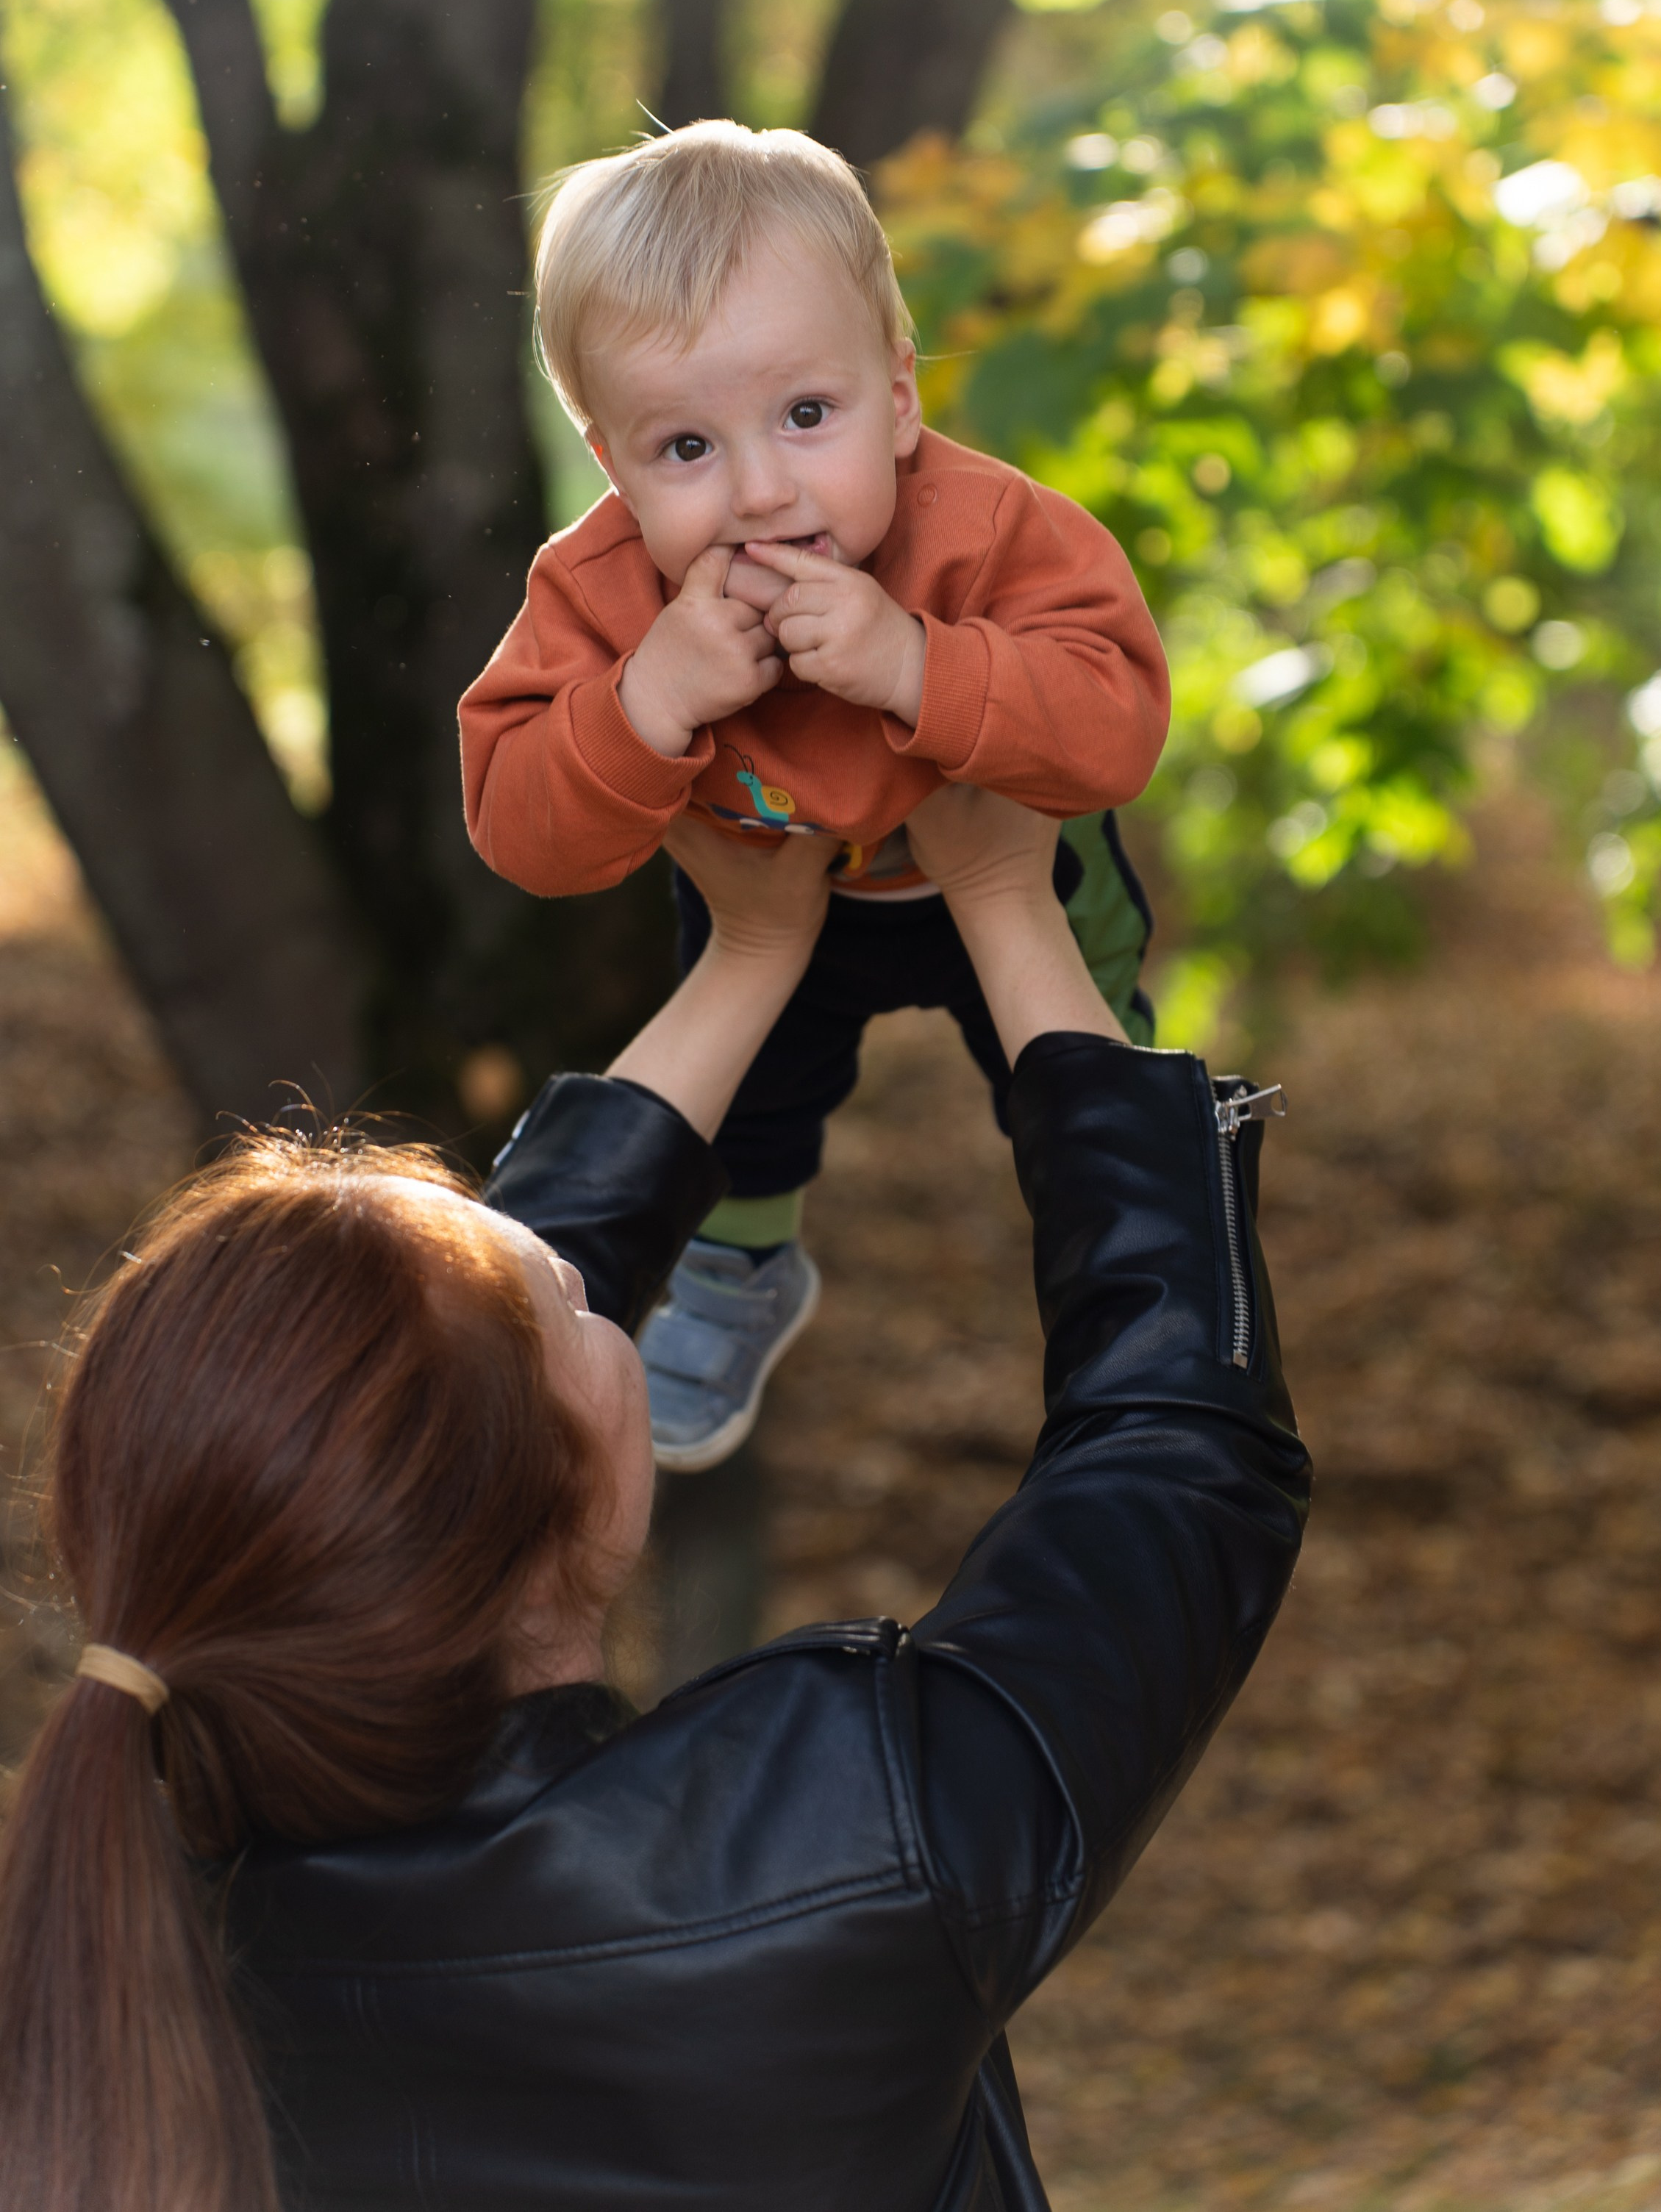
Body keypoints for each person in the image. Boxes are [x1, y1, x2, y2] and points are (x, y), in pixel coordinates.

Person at [0, 785, 1306, 2212]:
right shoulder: (844, 1839)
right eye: (569, 1301)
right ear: (558, 1490)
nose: (577, 1275)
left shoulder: (133, 1938)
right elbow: (1177, 1454)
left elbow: (435, 1415)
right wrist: (1009, 900)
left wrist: (747, 958)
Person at [460, 119, 1171, 1472]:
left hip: (1011, 868)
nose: (759, 493)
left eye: (805, 415)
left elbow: (1116, 717)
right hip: (775, 887)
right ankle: (738, 1272)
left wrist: (919, 664)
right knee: (748, 1110)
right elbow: (519, 826)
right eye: (684, 449)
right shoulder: (602, 594)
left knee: (1077, 1081)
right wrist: (645, 701)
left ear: (896, 395)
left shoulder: (994, 531)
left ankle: (1140, 1257)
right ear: (610, 464)